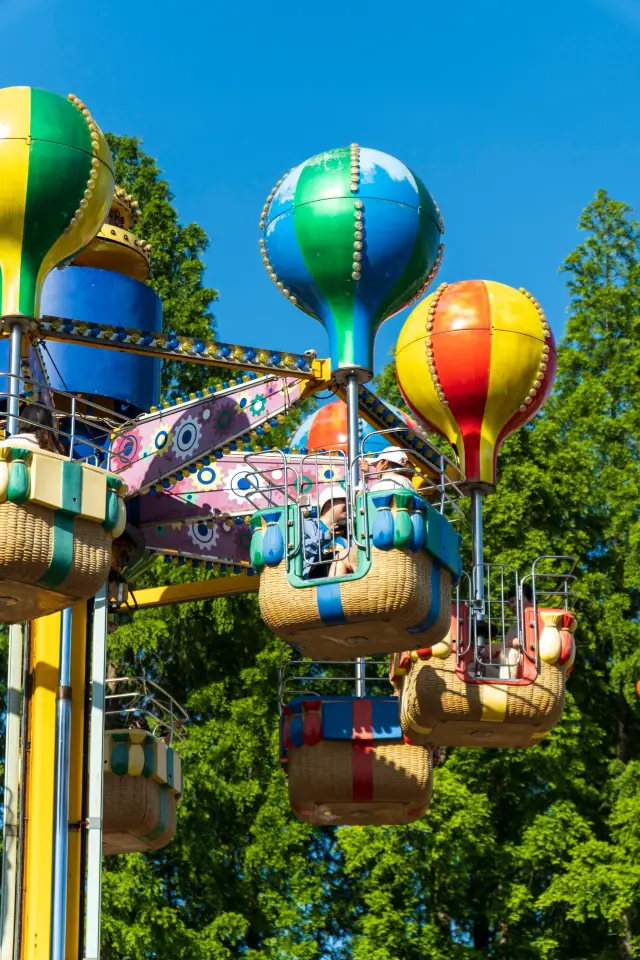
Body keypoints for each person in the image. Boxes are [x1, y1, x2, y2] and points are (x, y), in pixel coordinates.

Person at [302, 485, 353, 579]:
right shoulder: (309, 525)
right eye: (343, 500)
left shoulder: (344, 540)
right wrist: (326, 536)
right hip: (313, 582)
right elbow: (301, 550)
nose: (347, 505)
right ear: (329, 502)